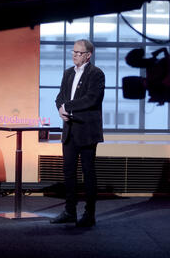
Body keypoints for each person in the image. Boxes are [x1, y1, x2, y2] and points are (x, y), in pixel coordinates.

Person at [51, 39, 105, 227]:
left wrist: (68, 107)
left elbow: (91, 99)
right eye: (73, 52)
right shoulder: (67, 73)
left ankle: (89, 214)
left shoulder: (96, 74)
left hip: (87, 131)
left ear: (88, 55)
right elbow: (59, 97)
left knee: (88, 173)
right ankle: (70, 211)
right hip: (70, 130)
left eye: (78, 53)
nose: (74, 55)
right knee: (68, 172)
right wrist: (61, 108)